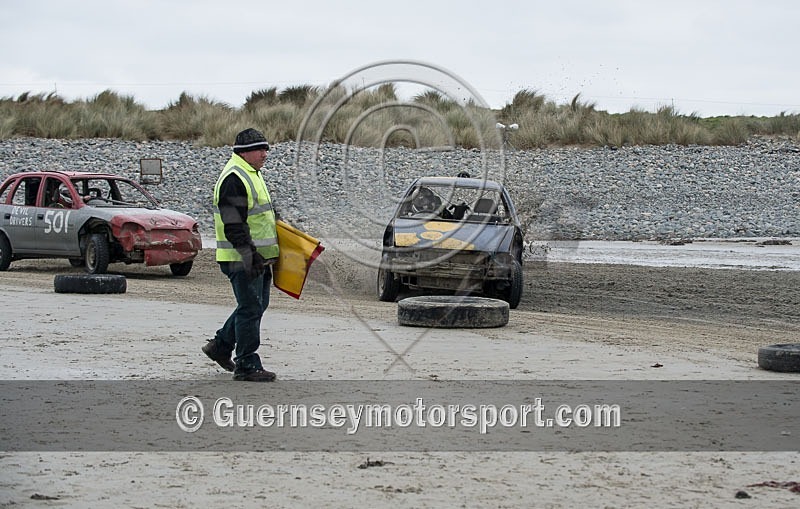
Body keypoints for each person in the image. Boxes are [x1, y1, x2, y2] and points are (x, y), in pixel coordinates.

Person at [203, 128, 279, 382]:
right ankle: (246, 363)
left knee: (256, 305)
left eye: (266, 148)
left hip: (255, 257)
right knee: (250, 307)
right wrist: (249, 255)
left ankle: (221, 345)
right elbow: (233, 224)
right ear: (244, 152)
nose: (265, 154)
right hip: (241, 258)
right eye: (261, 149)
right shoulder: (234, 178)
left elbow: (262, 216)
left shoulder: (250, 173)